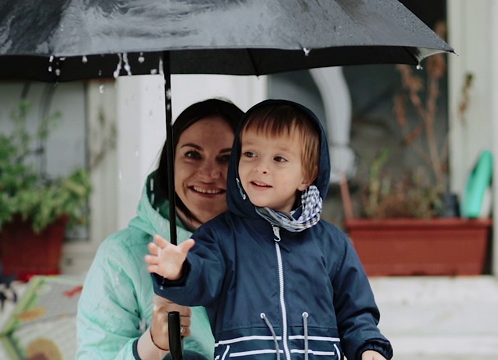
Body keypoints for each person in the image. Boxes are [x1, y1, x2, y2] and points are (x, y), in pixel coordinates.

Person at [144, 99, 393, 360]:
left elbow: (356, 313)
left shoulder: (332, 243)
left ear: (307, 175)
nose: (261, 167)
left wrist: (369, 347)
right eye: (250, 154)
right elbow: (202, 280)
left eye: (279, 158)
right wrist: (180, 271)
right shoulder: (220, 237)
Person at [76, 98, 245, 359]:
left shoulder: (277, 250)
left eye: (227, 158)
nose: (210, 173)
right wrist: (153, 344)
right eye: (192, 154)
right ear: (170, 164)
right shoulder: (121, 257)